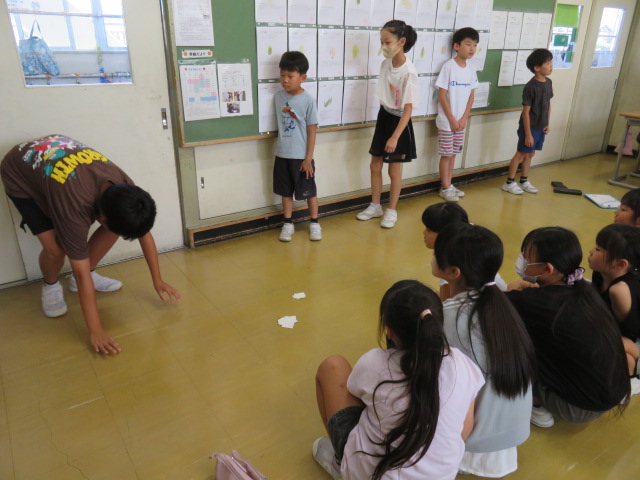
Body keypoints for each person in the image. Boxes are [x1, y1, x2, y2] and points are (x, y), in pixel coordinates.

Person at [1, 134, 180, 355]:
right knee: (56, 249)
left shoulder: (125, 189)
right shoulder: (75, 207)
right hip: (20, 173)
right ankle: (50, 286)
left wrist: (157, 280)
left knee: (117, 227)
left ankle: (88, 275)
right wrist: (96, 330)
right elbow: (80, 270)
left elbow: (143, 232)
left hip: (55, 163)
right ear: (100, 217)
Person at [313, 280, 484, 480]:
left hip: (372, 474)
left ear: (388, 330)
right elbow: (464, 431)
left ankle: (341, 462)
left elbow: (354, 391)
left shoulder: (375, 362)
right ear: (440, 319)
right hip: (442, 476)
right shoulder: (462, 364)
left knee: (332, 367)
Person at [433, 223, 535, 477]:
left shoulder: (446, 318)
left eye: (436, 253)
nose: (432, 257)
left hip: (473, 443)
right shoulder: (503, 305)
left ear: (453, 272)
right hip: (513, 434)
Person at [505, 227, 630, 428]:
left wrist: (514, 289)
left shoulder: (534, 302)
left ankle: (535, 401)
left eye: (526, 257)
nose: (522, 260)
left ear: (547, 269)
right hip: (612, 393)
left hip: (578, 408)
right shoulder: (585, 289)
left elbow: (499, 304)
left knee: (508, 340)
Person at [356, 20, 419, 229]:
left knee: (394, 170)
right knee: (375, 164)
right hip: (384, 116)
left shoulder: (409, 72)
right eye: (382, 42)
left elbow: (408, 109)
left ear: (401, 42)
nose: (384, 46)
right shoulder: (386, 64)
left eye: (387, 42)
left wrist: (395, 136)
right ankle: (375, 205)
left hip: (399, 122)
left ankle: (391, 210)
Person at [274, 50, 321, 242]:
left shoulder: (308, 100)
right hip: (282, 154)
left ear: (302, 78)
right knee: (285, 192)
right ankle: (287, 223)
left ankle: (315, 223)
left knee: (309, 191)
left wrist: (308, 158)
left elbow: (312, 131)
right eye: (282, 75)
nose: (285, 80)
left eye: (290, 76)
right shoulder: (278, 97)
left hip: (302, 157)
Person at [421, 202, 507, 300]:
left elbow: (445, 302)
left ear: (445, 234)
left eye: (428, 230)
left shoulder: (452, 261)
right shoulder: (466, 242)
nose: (424, 232)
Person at [588, 224, 640, 379]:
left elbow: (627, 328)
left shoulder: (619, 290)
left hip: (630, 337)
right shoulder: (599, 273)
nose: (591, 251)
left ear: (620, 264)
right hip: (611, 330)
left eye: (598, 250)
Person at [435, 27, 479, 202]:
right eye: (468, 44)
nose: (472, 48)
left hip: (461, 122)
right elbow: (441, 96)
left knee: (453, 154)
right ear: (456, 46)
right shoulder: (448, 67)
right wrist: (453, 120)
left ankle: (449, 184)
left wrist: (463, 119)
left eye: (475, 45)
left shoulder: (472, 68)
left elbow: (471, 96)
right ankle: (445, 187)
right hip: (447, 122)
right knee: (446, 155)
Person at [502, 49, 553, 195]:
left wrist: (547, 123)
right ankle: (509, 182)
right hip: (529, 127)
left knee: (530, 154)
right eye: (547, 63)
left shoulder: (548, 82)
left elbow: (548, 104)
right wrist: (528, 134)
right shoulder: (531, 87)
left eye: (551, 63)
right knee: (520, 154)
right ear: (537, 68)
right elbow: (526, 112)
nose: (551, 66)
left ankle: (523, 180)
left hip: (541, 126)